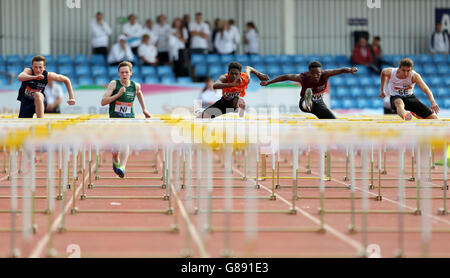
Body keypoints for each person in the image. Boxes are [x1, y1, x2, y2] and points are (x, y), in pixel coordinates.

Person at [100, 61, 151, 178]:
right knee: (115, 149)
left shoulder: (135, 86)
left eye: (126, 72)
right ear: (118, 73)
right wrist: (118, 95)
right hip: (115, 119)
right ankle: (115, 159)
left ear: (131, 73)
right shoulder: (114, 84)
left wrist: (144, 109)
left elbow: (139, 93)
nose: (124, 75)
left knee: (125, 141)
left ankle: (122, 167)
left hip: (129, 118)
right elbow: (103, 102)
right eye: (122, 72)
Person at [260, 61, 357, 119]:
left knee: (332, 120)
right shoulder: (302, 77)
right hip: (304, 102)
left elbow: (339, 70)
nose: (316, 76)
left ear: (321, 72)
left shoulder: (325, 74)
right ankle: (308, 102)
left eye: (318, 73)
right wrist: (268, 83)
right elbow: (286, 77)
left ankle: (328, 147)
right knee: (307, 101)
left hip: (319, 101)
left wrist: (349, 70)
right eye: (313, 74)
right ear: (309, 73)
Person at [199, 62, 268, 119]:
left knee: (241, 102)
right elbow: (215, 85)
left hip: (236, 102)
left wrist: (259, 74)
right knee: (201, 117)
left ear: (240, 74)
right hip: (224, 102)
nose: (234, 76)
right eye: (232, 73)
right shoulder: (224, 78)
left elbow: (248, 68)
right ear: (228, 73)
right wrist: (232, 84)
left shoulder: (246, 79)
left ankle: (240, 119)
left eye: (236, 74)